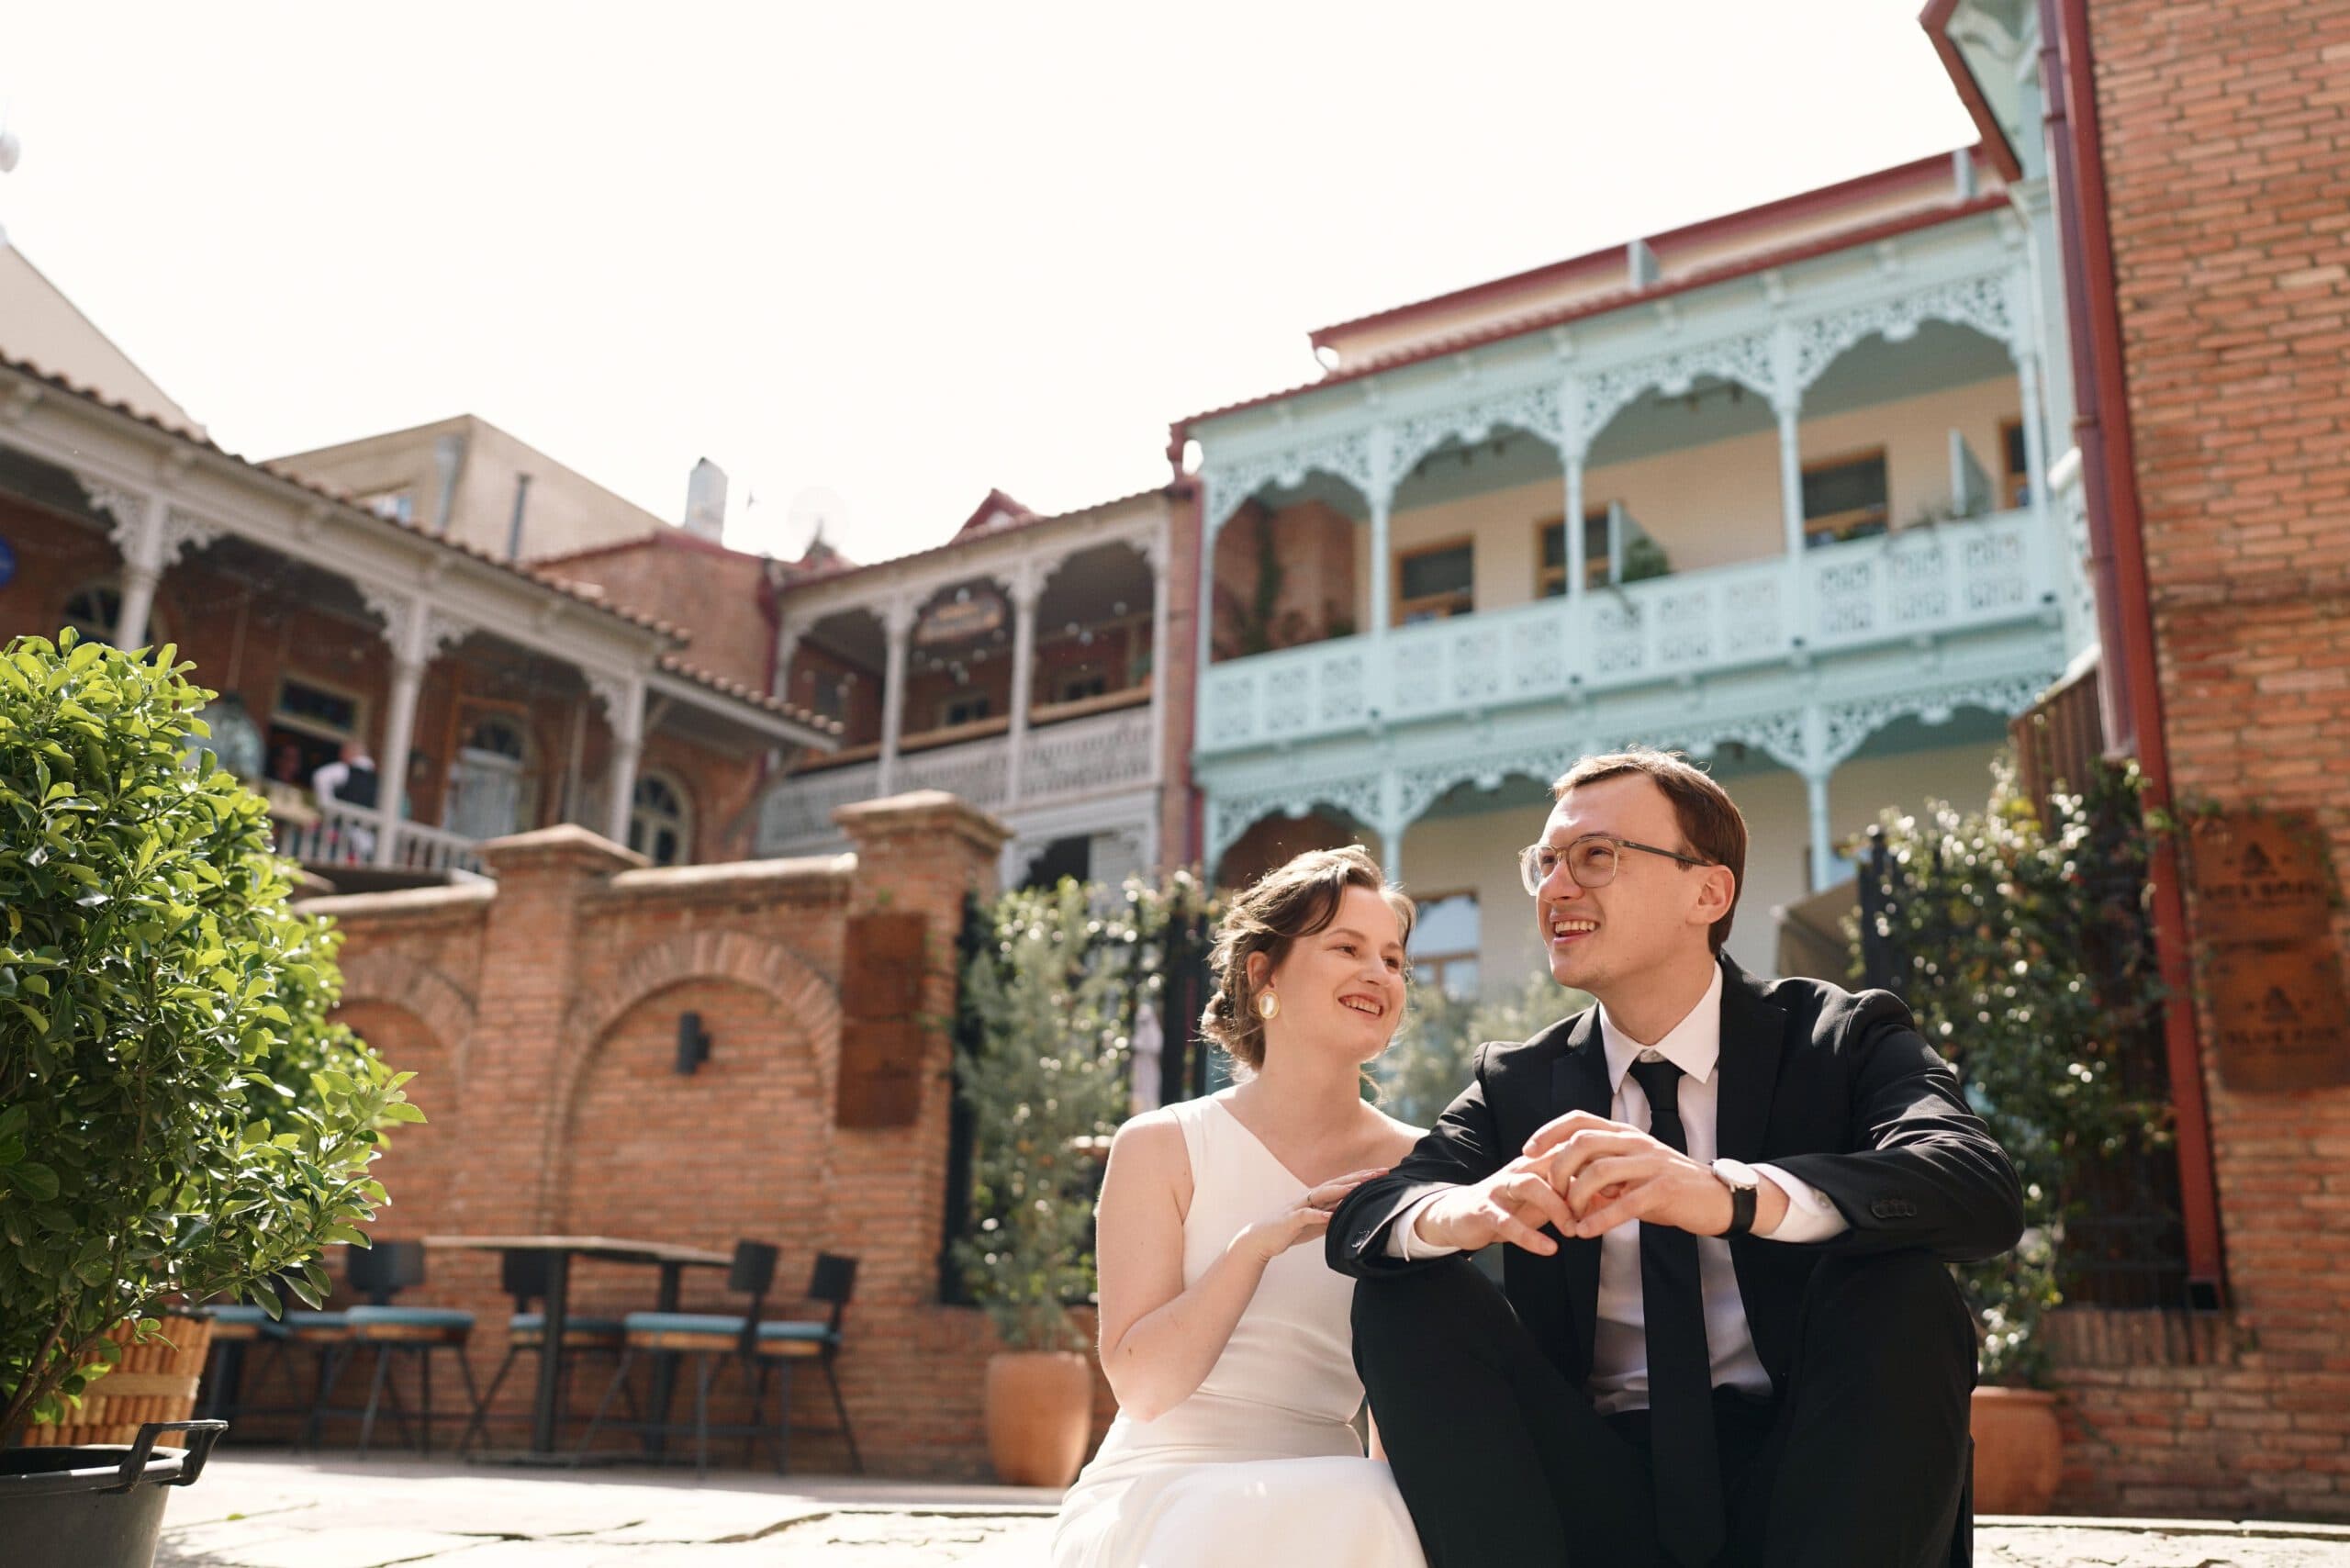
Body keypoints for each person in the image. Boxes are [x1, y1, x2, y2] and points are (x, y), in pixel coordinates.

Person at [1328, 748, 2024, 1568]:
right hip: (1594, 1489)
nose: (1556, 889)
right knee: (1403, 1296)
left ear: (1709, 891)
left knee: (1901, 1284)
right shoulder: (1517, 1082)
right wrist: (1466, 1209)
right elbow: (1367, 1220)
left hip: (1814, 1479)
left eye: (1595, 856)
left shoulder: (1838, 1036)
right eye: (1545, 864)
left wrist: (1729, 1195)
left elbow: (1977, 1186)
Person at [1051, 846, 1429, 1568]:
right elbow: (1147, 1388)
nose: (1379, 974)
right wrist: (1254, 1247)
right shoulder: (1162, 1145)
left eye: (1392, 959)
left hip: (1339, 1494)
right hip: (1161, 1487)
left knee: (1377, 1502)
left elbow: (1405, 1386)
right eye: (1347, 947)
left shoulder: (1420, 1164)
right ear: (1264, 974)